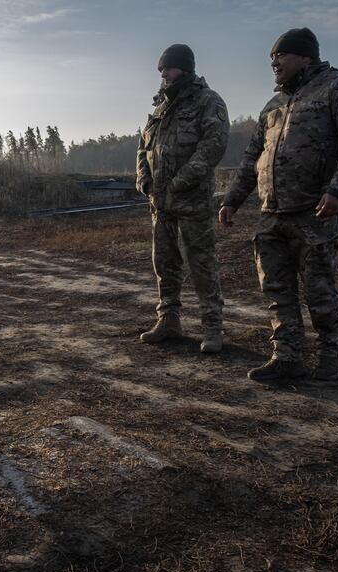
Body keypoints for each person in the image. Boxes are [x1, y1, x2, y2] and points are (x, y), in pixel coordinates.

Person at [219, 28, 338, 381]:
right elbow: (251, 157)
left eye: (281, 55)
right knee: (276, 288)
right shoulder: (273, 106)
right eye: (271, 57)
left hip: (314, 211)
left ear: (305, 56)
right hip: (272, 213)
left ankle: (330, 352)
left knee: (318, 288)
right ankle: (286, 355)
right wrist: (232, 200)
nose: (273, 62)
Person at [136, 44, 230, 353]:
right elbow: (144, 144)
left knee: (201, 263)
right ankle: (169, 321)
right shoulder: (161, 106)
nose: (163, 72)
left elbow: (212, 147)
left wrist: (180, 182)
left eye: (169, 67)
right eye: (161, 68)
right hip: (160, 204)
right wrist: (144, 179)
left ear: (185, 69)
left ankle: (212, 328)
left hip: (191, 201)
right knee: (164, 263)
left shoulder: (208, 102)